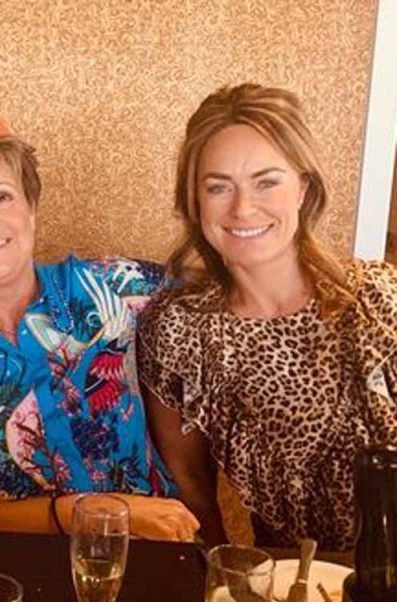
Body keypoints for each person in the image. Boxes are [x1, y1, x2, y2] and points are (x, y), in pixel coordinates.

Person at [0, 104, 199, 540]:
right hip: (20, 569)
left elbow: (225, 289)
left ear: (31, 208)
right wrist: (85, 512)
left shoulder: (110, 287)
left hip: (151, 549)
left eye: (2, 196)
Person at [138, 83, 397, 551]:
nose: (242, 208)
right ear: (195, 202)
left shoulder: (380, 304)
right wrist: (227, 595)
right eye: (219, 187)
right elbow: (194, 493)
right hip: (288, 599)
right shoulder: (178, 332)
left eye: (266, 181)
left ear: (303, 186)